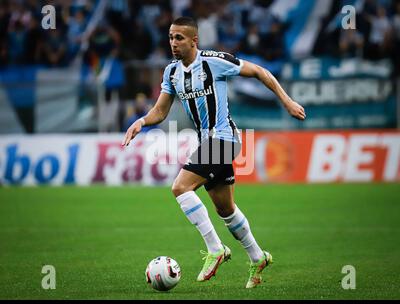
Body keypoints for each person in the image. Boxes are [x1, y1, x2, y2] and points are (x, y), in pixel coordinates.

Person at [122, 17, 306, 288]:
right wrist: (141, 121)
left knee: (180, 188)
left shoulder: (213, 61)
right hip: (207, 143)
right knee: (226, 209)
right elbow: (160, 111)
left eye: (179, 38)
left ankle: (215, 249)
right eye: (171, 37)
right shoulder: (171, 72)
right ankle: (258, 257)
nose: (173, 43)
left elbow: (258, 71)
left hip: (224, 138)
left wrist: (287, 101)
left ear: (193, 40)